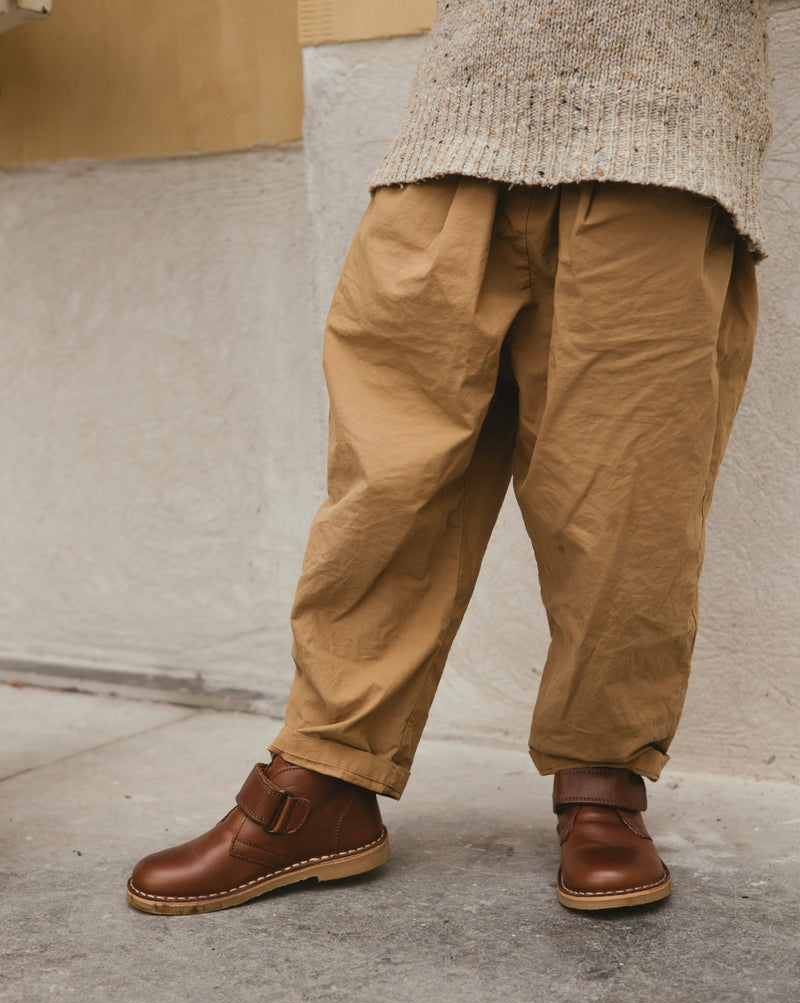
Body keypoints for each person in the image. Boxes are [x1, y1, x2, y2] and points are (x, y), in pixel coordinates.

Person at [126, 0, 772, 914]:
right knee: (384, 486)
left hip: (666, 136)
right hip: (453, 131)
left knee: (627, 505)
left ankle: (602, 789)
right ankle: (325, 781)